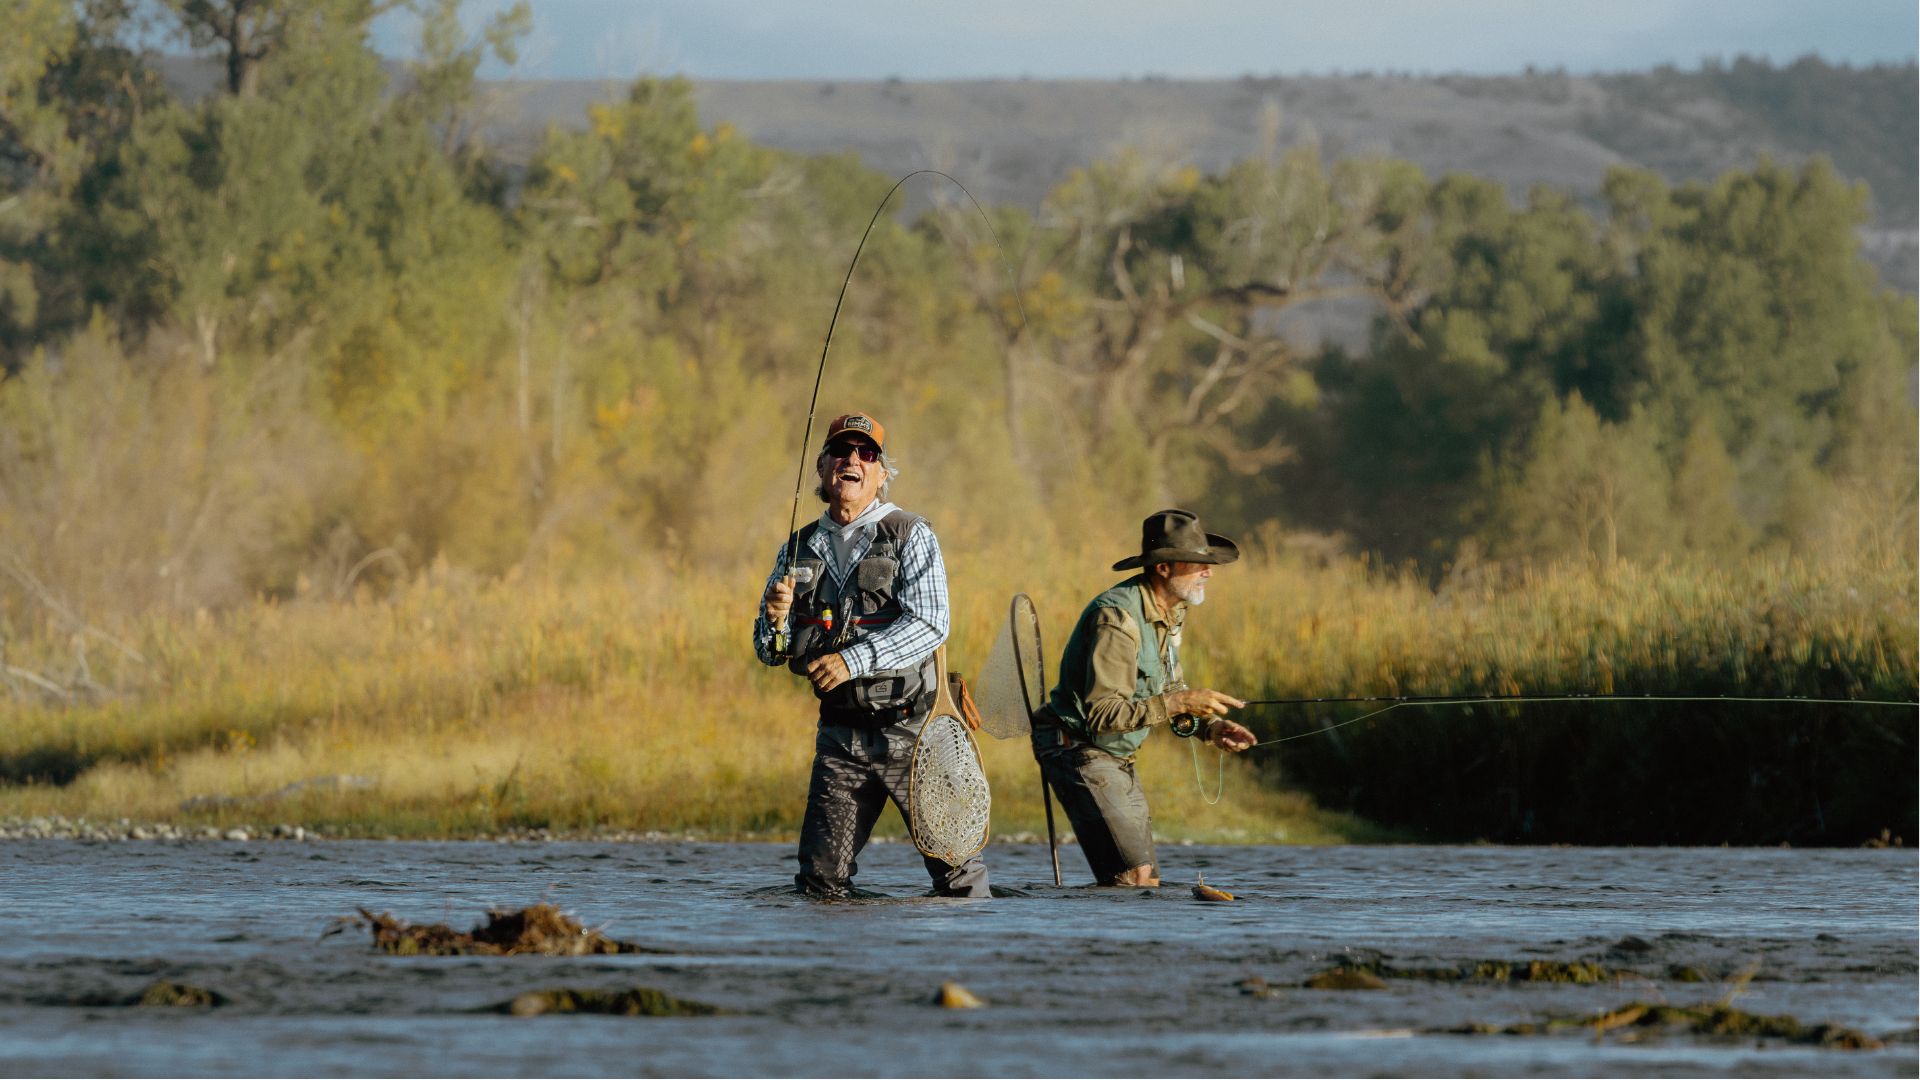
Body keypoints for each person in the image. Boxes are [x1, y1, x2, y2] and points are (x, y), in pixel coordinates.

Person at [754, 412, 990, 898]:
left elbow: (931, 623)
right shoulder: (796, 548)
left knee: (959, 877)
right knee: (819, 885)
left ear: (881, 475)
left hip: (916, 730)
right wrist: (775, 620)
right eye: (842, 451)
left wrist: (851, 661)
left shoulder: (911, 534)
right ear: (821, 467)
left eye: (867, 453)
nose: (852, 460)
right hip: (840, 737)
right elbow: (769, 651)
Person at [1030, 509, 1257, 887]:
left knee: (1144, 882)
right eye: (1198, 563)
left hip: (1114, 755)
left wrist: (1210, 728)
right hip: (1077, 748)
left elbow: (1168, 690)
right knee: (1134, 878)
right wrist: (1181, 704)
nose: (1209, 571)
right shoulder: (1117, 619)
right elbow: (1102, 715)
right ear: (1163, 568)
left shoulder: (1170, 613)